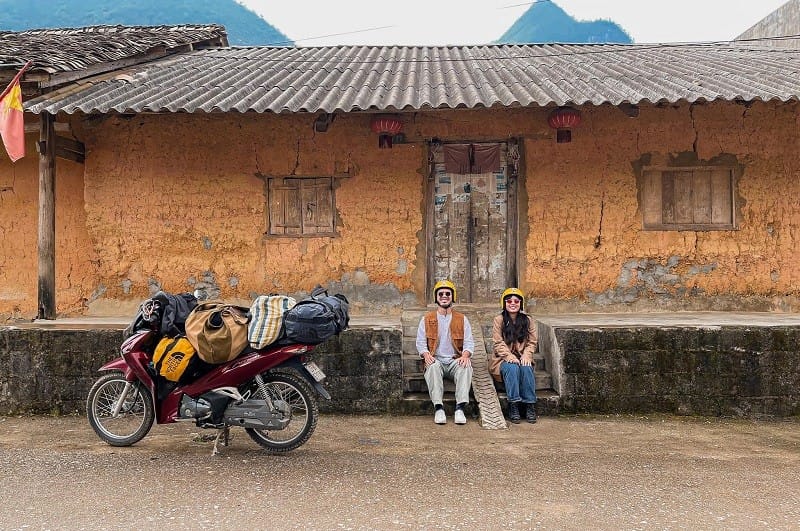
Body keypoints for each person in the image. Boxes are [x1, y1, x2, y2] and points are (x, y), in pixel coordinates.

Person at [416, 279, 474, 425]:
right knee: (433, 366)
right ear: (436, 297)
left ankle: (460, 408)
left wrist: (465, 355)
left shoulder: (462, 319)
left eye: (447, 294)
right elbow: (421, 343)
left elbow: (469, 342)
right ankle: (439, 408)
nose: (444, 296)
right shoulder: (426, 319)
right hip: (436, 359)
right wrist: (426, 354)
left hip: (455, 360)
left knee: (466, 366)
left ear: (452, 297)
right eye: (440, 294)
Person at [490, 288, 538, 424]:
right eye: (509, 301)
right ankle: (514, 404)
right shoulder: (499, 320)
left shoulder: (528, 320)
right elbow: (498, 342)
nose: (512, 303)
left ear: (520, 303)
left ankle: (530, 404)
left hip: (522, 357)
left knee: (526, 368)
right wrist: (509, 356)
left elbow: (532, 342)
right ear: (504, 303)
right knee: (512, 368)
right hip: (502, 359)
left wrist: (527, 355)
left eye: (516, 301)